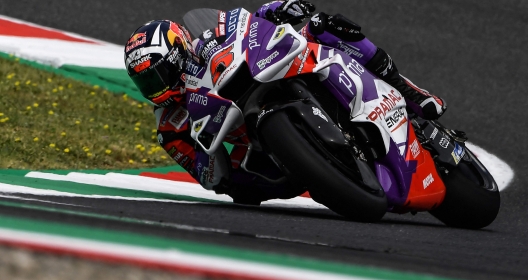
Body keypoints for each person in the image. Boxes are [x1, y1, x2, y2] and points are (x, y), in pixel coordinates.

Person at [123, 0, 447, 204]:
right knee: (241, 192)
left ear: (179, 51)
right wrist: (209, 161)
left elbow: (250, 22)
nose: (158, 85)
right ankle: (322, 167)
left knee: (326, 27)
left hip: (271, 71)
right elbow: (209, 176)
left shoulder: (207, 35)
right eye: (146, 82)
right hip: (259, 152)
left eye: (158, 73)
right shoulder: (169, 125)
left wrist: (281, 8)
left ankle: (405, 89)